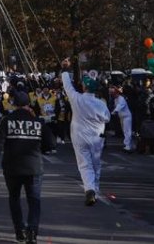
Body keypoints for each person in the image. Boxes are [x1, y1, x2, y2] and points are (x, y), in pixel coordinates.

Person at [0, 89, 55, 244]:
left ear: (14, 104)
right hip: (34, 166)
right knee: (34, 201)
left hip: (12, 167)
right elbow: (51, 143)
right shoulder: (37, 121)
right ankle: (32, 232)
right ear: (28, 104)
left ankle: (20, 231)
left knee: (14, 199)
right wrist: (40, 149)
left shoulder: (7, 120)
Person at [60, 58, 110, 206]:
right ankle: (95, 189)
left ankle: (90, 189)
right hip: (96, 137)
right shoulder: (100, 104)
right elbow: (107, 118)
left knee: (84, 164)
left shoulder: (77, 99)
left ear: (84, 87)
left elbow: (67, 86)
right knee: (96, 164)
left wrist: (65, 70)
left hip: (79, 136)